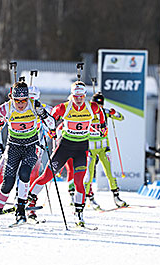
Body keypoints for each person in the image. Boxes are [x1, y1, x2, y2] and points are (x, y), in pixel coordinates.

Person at [28, 81, 107, 226]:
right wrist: (51, 129)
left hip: (81, 149)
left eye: (81, 96)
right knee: (46, 176)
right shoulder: (64, 107)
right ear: (72, 95)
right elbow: (51, 120)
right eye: (76, 96)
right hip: (64, 147)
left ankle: (79, 214)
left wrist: (103, 126)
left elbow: (101, 113)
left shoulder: (92, 107)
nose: (78, 99)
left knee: (79, 182)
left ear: (85, 95)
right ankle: (28, 200)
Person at [0, 81, 56, 226]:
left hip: (31, 146)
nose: (20, 104)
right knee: (7, 183)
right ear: (12, 98)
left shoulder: (34, 106)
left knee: (24, 174)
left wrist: (44, 115)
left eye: (23, 100)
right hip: (13, 146)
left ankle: (20, 212)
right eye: (17, 100)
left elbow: (52, 124)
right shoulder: (6, 108)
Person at [83, 92, 127, 209]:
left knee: (110, 173)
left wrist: (114, 113)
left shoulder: (105, 112)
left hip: (103, 148)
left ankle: (116, 197)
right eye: (96, 104)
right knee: (88, 175)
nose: (99, 107)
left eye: (101, 104)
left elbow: (121, 117)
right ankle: (87, 199)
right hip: (90, 149)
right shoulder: (87, 112)